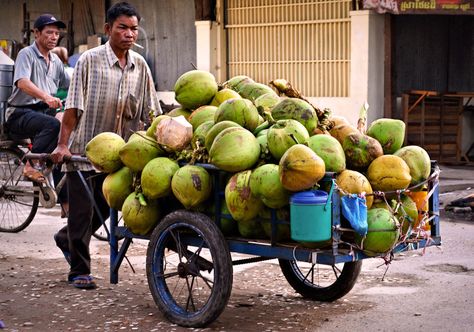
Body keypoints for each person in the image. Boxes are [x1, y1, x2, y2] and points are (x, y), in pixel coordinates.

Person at [51, 1, 161, 289]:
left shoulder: (141, 66)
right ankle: (79, 271)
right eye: (123, 27)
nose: (129, 34)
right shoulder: (90, 61)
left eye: (134, 29)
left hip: (120, 156)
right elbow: (73, 107)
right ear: (108, 29)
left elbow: (152, 112)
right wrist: (63, 146)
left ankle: (65, 240)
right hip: (84, 151)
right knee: (82, 212)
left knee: (103, 207)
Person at [5, 14, 69, 183]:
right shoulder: (26, 54)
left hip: (42, 113)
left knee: (62, 147)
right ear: (37, 33)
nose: (54, 36)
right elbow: (22, 82)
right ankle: (30, 165)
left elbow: (72, 82)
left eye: (56, 33)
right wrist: (46, 96)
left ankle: (64, 204)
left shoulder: (55, 60)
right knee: (53, 124)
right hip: (20, 114)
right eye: (49, 32)